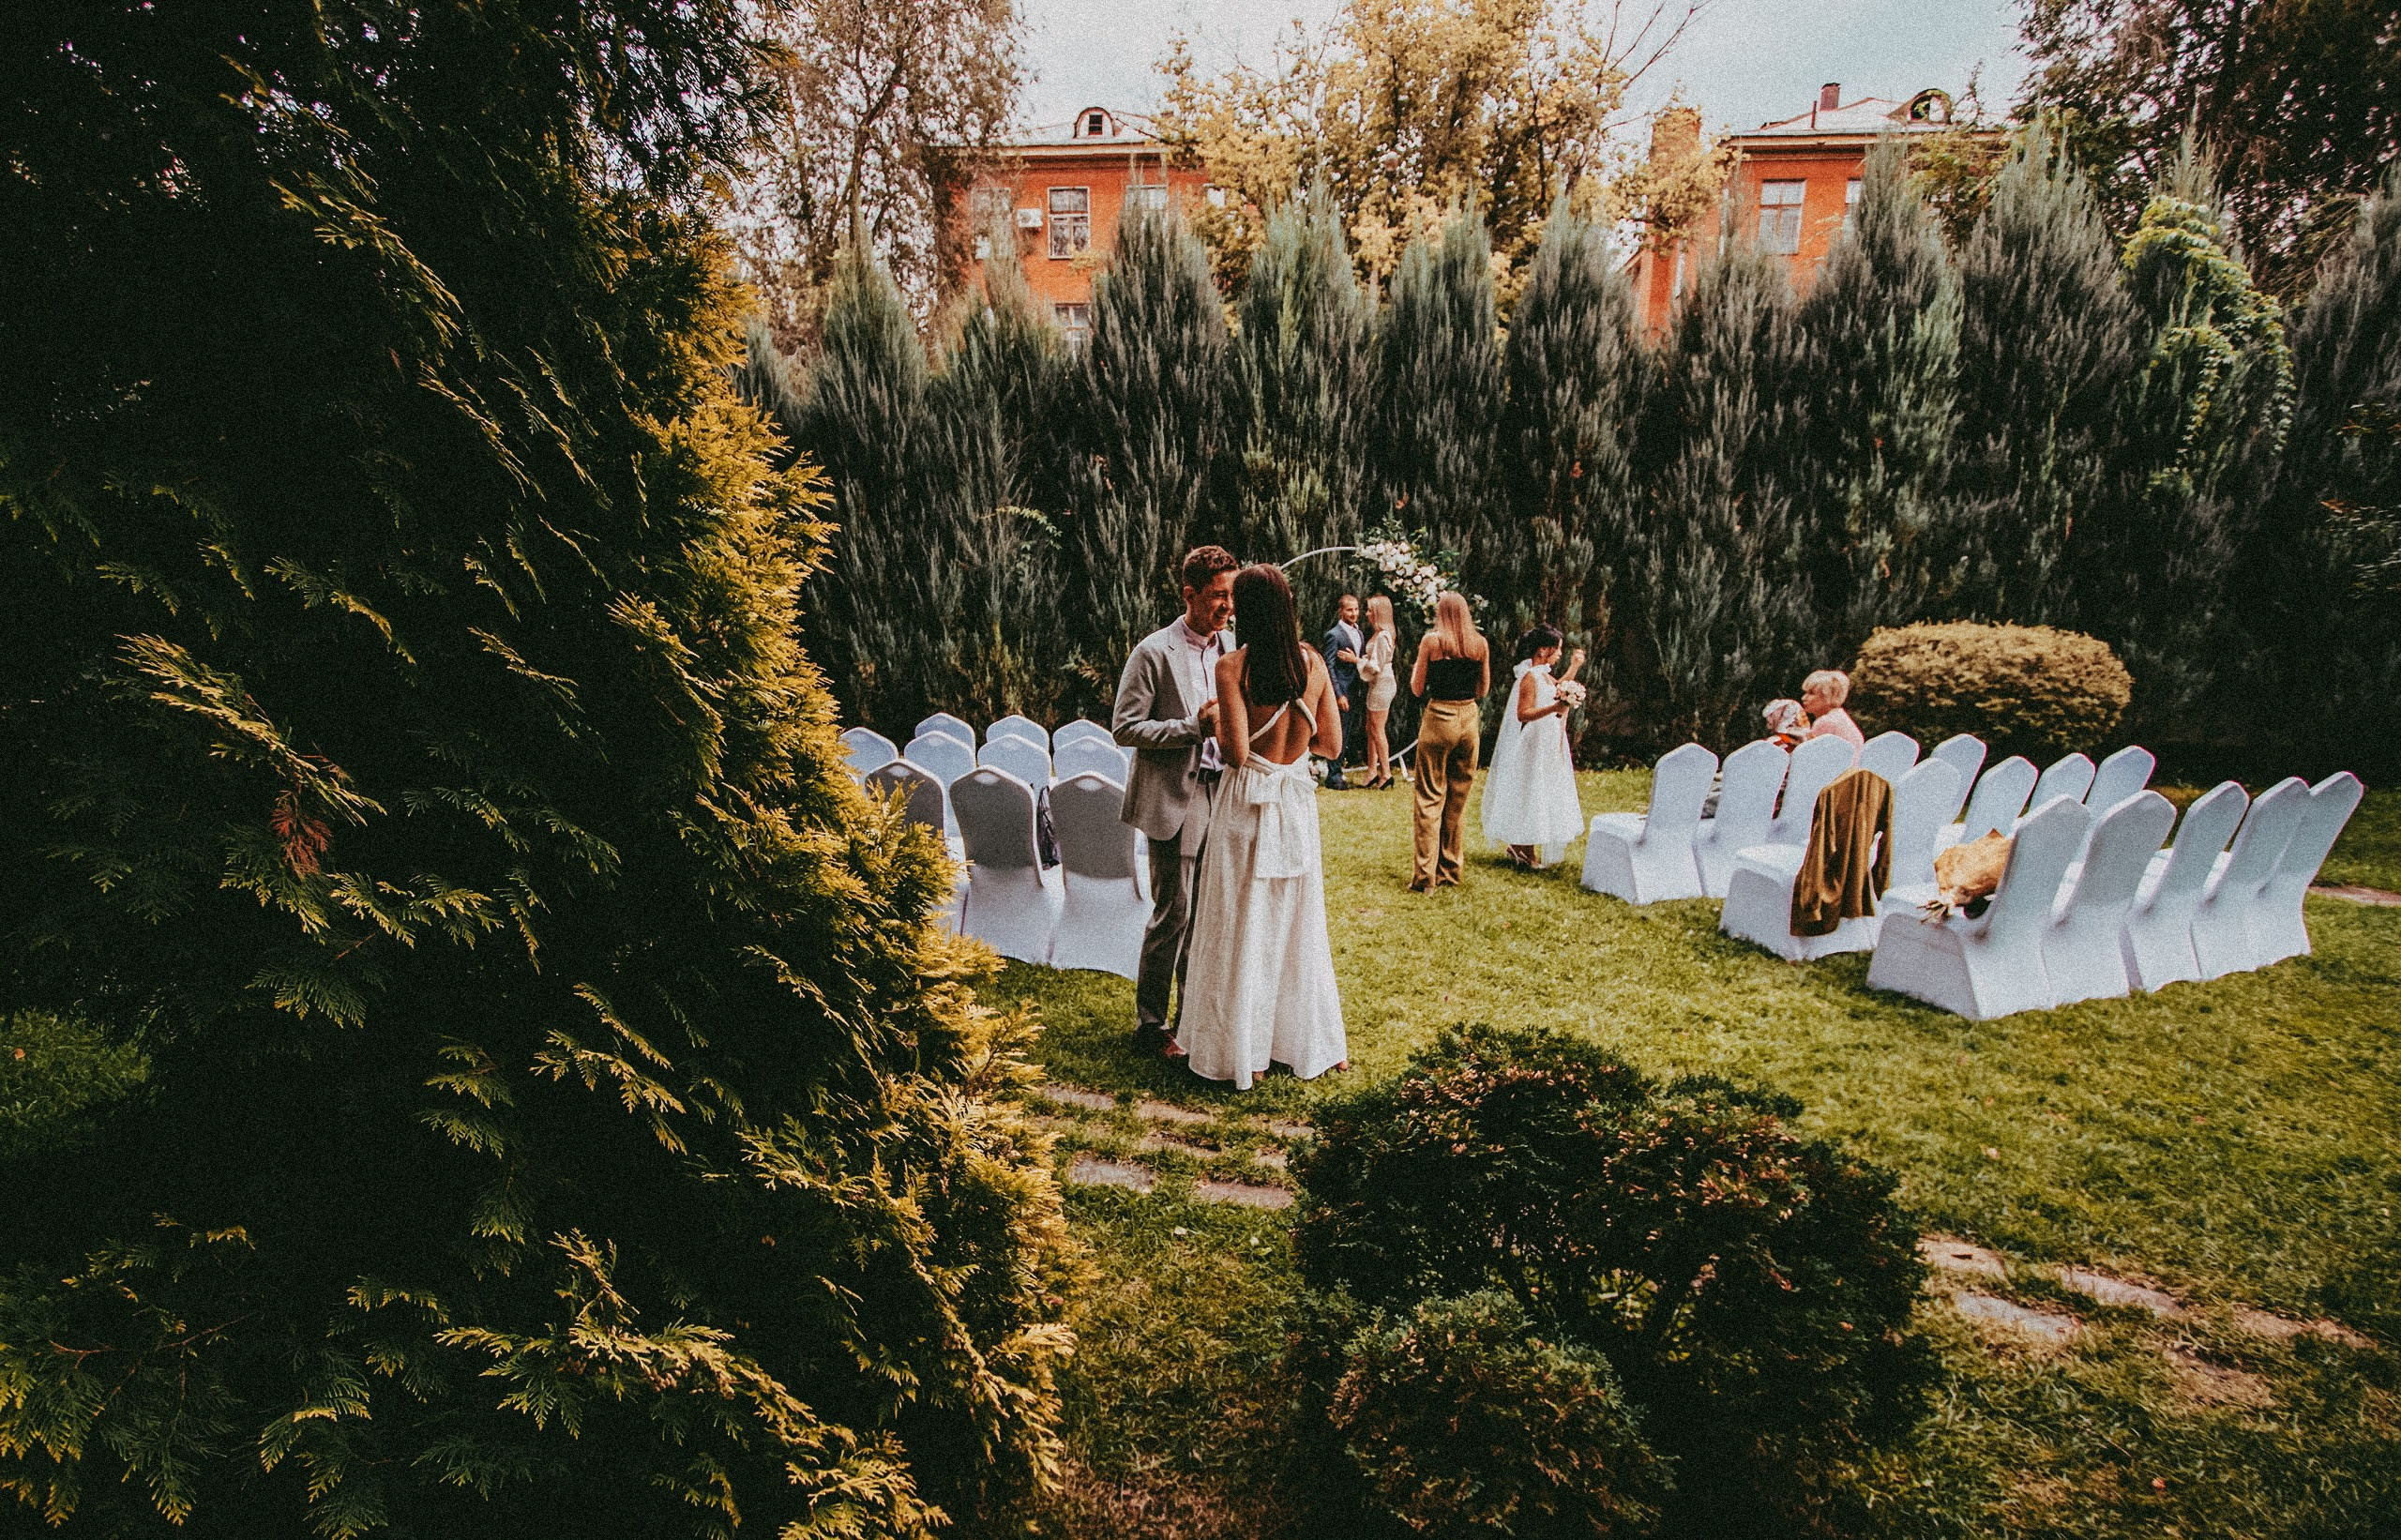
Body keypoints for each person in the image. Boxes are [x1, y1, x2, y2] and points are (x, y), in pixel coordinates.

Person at [1179, 565, 1348, 1089]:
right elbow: (1333, 747)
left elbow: (1235, 752)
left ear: (1247, 611)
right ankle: (1300, 1041)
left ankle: (1244, 1050)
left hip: (1247, 804)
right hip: (1293, 806)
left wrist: (1212, 719)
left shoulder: (1233, 667)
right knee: (1295, 924)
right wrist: (1293, 749)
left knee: (1238, 921)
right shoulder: (1314, 664)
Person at [1111, 544, 1239, 1058]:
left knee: (1208, 912)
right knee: (1176, 912)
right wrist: (1192, 727)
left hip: (1220, 792)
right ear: (1189, 595)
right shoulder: (1152, 652)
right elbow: (1124, 727)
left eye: (1231, 596)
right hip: (1173, 797)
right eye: (1218, 596)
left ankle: (1193, 1020)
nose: (1227, 606)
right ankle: (1151, 1024)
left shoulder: (1230, 648)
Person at [1480, 626, 1586, 869]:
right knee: (1532, 791)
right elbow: (1523, 714)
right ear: (1543, 650)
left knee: (1542, 791)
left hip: (1547, 741)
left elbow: (1557, 687)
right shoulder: (1529, 677)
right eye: (1557, 650)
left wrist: (1574, 670)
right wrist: (1554, 708)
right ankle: (1525, 849)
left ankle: (1521, 847)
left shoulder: (1544, 675)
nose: (1560, 654)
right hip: (1534, 742)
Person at [1406, 592, 1490, 892]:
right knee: (1457, 801)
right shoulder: (1480, 644)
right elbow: (1483, 689)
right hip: (1468, 720)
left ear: (1441, 613)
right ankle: (1450, 872)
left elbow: (1417, 689)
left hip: (1438, 717)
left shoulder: (1432, 642)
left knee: (1429, 797)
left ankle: (1424, 877)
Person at [1320, 593, 1364, 788]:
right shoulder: (1334, 635)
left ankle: (1339, 771)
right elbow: (1328, 666)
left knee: (1348, 732)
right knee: (1339, 733)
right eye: (1349, 609)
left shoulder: (1359, 633)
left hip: (1356, 690)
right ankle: (1334, 776)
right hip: (1343, 692)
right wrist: (1338, 694)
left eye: (1356, 609)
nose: (1353, 613)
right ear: (1341, 611)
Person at [1358, 594, 1399, 789]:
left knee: (1377, 728)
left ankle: (1386, 773)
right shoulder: (1380, 633)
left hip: (1382, 682)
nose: (1366, 614)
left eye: (1369, 610)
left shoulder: (1383, 636)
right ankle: (1372, 770)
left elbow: (1375, 666)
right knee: (1370, 727)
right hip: (1377, 684)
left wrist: (1356, 661)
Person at [1802, 669, 1865, 752]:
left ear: (1828, 696)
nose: (1803, 698)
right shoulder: (1841, 718)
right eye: (1805, 693)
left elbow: (1808, 757)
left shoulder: (1825, 722)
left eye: (1811, 693)